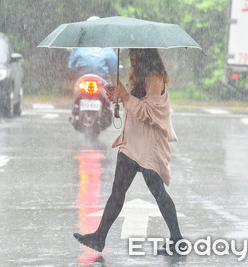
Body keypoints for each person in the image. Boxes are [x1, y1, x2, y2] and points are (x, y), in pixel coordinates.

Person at [73, 48, 183, 254]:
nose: (131, 57)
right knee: (117, 193)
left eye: (134, 54)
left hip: (148, 147)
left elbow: (149, 113)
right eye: (130, 54)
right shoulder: (137, 76)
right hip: (131, 144)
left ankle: (177, 240)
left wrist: (126, 96)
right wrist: (119, 97)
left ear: (145, 55)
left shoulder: (154, 78)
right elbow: (134, 107)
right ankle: (99, 237)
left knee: (159, 193)